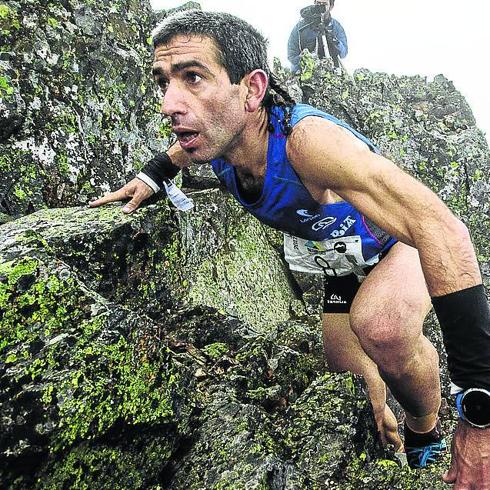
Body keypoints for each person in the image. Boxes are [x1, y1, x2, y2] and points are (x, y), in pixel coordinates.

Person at [90, 10, 490, 486]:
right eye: (164, 82)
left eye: (194, 78)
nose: (169, 104)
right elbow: (181, 147)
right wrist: (150, 177)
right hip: (341, 265)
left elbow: (442, 230)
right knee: (353, 392)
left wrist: (481, 414)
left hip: (398, 247)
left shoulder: (308, 143)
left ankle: (427, 433)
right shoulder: (216, 139)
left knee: (382, 327)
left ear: (252, 90)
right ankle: (389, 429)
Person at [288, 0, 348, 74]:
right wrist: (305, 60)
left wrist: (334, 41)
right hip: (304, 73)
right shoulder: (301, 27)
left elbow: (344, 53)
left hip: (331, 73)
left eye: (324, 4)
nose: (320, 7)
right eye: (318, 3)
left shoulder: (335, 27)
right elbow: (291, 54)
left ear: (331, 6)